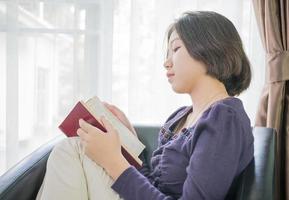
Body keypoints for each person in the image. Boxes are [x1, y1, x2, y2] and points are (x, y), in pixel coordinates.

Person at [36, 11, 254, 200]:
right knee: (74, 147)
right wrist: (129, 141)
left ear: (210, 49)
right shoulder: (180, 117)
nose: (166, 62)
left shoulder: (225, 118)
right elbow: (154, 186)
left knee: (73, 148)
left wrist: (113, 161)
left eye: (176, 49)